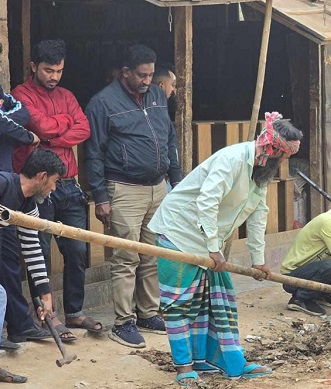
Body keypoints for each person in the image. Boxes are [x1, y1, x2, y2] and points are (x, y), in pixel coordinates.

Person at [148, 112, 300, 386]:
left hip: (206, 241)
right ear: (273, 150)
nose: (282, 163)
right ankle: (184, 368)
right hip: (178, 232)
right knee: (179, 304)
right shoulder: (231, 160)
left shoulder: (261, 171)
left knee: (217, 301)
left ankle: (218, 360)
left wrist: (258, 261)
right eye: (283, 157)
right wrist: (214, 249)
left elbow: (258, 214)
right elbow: (207, 202)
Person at [85, 44, 183, 348]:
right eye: (141, 75)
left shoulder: (156, 95)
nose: (147, 80)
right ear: (125, 72)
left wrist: (176, 180)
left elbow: (169, 136)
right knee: (126, 257)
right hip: (123, 188)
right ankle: (123, 322)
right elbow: (93, 153)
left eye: (151, 74)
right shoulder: (102, 103)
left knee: (151, 254)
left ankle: (148, 313)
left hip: (157, 186)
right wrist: (101, 196)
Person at [12, 39, 101, 341]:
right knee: (40, 253)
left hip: (69, 185)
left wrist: (51, 138)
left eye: (59, 71)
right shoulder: (20, 94)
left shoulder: (67, 94)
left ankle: (74, 312)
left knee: (77, 250)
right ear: (34, 66)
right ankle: (47, 317)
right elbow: (41, 125)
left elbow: (84, 128)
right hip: (39, 188)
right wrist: (62, 127)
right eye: (48, 70)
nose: (54, 76)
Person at [0, 33, 53, 346]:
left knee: (8, 258)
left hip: (5, 181)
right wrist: (19, 133)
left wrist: (5, 125)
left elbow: (20, 112)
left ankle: (17, 325)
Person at [0, 149, 65, 386]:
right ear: (42, 176)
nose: (54, 189)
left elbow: (32, 248)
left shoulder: (26, 207)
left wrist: (45, 294)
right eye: (54, 182)